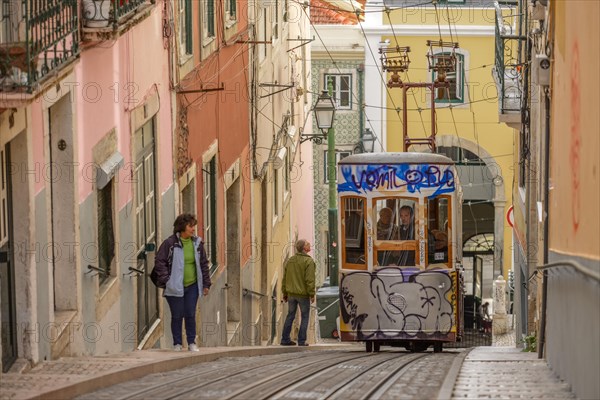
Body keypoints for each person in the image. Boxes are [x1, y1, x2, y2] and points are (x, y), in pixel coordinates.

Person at [153, 213, 211, 351]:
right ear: (182, 227)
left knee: (190, 313)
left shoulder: (197, 244)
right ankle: (177, 343)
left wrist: (206, 284)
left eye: (193, 226)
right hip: (174, 287)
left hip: (192, 285)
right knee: (177, 315)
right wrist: (167, 280)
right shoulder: (170, 244)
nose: (193, 229)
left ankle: (191, 342)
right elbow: (159, 262)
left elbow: (203, 264)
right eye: (190, 226)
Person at [281, 239, 316, 346]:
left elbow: (285, 278)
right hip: (303, 295)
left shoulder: (290, 260)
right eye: (307, 243)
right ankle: (301, 341)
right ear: (304, 248)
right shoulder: (309, 262)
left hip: (291, 294)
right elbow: (309, 280)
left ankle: (285, 339)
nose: (309, 244)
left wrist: (285, 292)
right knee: (305, 316)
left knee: (290, 315)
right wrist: (312, 293)